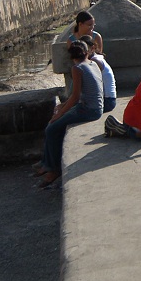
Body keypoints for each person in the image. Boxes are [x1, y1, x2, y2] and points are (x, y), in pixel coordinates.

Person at [33, 41, 103, 187]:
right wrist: (62, 106)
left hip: (88, 110)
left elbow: (75, 97)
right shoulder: (93, 63)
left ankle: (53, 169)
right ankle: (46, 163)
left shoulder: (77, 68)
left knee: (51, 128)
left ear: (71, 56)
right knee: (53, 126)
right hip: (95, 107)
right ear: (86, 52)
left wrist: (60, 114)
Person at [80, 35, 117, 113]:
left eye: (85, 49)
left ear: (92, 48)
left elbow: (94, 85)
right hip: (108, 99)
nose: (82, 53)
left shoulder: (94, 61)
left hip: (107, 101)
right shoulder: (97, 57)